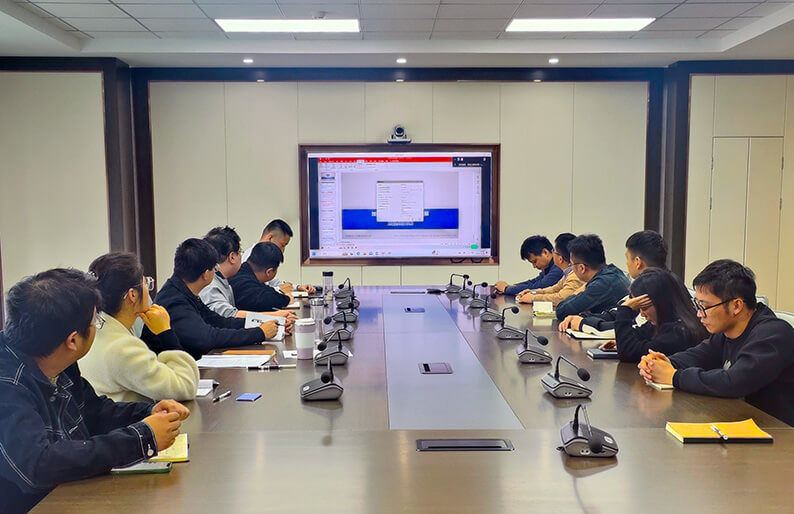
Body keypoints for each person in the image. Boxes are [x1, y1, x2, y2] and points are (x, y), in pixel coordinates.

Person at [0, 269, 190, 513]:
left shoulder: (57, 358)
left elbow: (93, 410)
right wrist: (141, 439)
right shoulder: (8, 384)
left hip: (74, 494)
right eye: (95, 322)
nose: (96, 327)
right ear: (72, 340)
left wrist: (147, 412)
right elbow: (39, 465)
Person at [639, 260, 794, 426]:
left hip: (780, 433)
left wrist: (675, 377)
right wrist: (659, 364)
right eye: (697, 305)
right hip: (741, 423)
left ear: (736, 306)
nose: (699, 314)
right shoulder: (726, 333)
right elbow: (697, 355)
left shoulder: (773, 334)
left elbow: (734, 382)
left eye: (705, 307)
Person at [80, 252, 199, 402]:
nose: (148, 289)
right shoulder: (123, 347)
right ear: (133, 295)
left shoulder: (96, 331)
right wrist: (166, 333)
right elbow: (185, 387)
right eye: (145, 283)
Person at [147, 238, 278, 360]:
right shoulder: (175, 302)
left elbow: (219, 321)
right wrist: (259, 333)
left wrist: (259, 324)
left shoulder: (183, 290)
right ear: (205, 274)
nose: (216, 273)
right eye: (214, 269)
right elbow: (207, 338)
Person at [558, 230, 667, 333]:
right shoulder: (644, 283)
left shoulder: (657, 289)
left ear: (637, 262)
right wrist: (582, 319)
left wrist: (583, 323)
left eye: (627, 259)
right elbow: (615, 313)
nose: (627, 264)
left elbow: (636, 328)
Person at [598, 268, 707, 363]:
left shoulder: (678, 332)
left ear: (661, 303)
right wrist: (621, 341)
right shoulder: (665, 322)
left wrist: (625, 310)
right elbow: (639, 334)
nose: (642, 314)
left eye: (644, 307)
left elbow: (629, 354)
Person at [200, 226, 296, 330]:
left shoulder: (222, 279)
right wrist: (276, 317)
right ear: (232, 257)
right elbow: (229, 317)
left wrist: (275, 323)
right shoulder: (209, 284)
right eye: (239, 252)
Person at [555, 234, 630, 321]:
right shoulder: (613, 271)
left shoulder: (601, 284)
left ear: (581, 268)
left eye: (571, 264)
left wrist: (578, 292)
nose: (571, 268)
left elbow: (562, 311)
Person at [242, 219, 315, 295]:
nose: (282, 250)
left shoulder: (264, 256)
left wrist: (297, 287)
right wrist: (279, 290)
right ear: (269, 238)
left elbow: (272, 283)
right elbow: (252, 291)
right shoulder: (249, 258)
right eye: (282, 245)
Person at [516, 233, 584, 306]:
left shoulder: (575, 276)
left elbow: (561, 298)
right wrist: (533, 292)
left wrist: (533, 298)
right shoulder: (569, 273)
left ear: (560, 259)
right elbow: (554, 289)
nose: (552, 254)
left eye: (554, 251)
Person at [231, 241, 292, 313]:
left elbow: (265, 289)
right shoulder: (246, 284)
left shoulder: (243, 270)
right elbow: (270, 298)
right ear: (269, 272)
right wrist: (287, 299)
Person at [493, 235, 564, 295]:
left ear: (545, 252)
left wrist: (507, 289)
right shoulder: (549, 267)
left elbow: (539, 286)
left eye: (535, 261)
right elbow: (533, 282)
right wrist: (510, 287)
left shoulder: (559, 267)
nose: (534, 266)